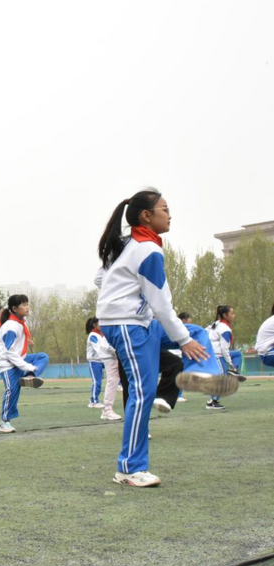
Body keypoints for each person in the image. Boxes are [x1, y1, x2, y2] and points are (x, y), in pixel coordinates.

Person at [95, 189, 238, 487]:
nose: (170, 214)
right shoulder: (146, 248)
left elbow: (101, 278)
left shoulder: (132, 245)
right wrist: (180, 339)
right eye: (164, 209)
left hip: (136, 322)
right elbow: (160, 304)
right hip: (128, 325)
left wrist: (121, 290)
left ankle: (202, 375)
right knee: (143, 392)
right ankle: (129, 468)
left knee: (197, 331)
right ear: (146, 216)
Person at [0, 294, 49, 433]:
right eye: (24, 305)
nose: (27, 307)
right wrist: (27, 366)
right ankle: (4, 422)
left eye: (27, 304)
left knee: (42, 357)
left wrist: (26, 342)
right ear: (14, 309)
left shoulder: (20, 324)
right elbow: (9, 351)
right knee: (11, 391)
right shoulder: (11, 326)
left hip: (19, 359)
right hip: (7, 363)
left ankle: (30, 376)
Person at [204, 305, 243, 410]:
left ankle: (232, 371)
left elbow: (205, 331)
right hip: (216, 355)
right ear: (225, 315)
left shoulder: (216, 323)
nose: (234, 315)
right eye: (232, 313)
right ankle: (213, 402)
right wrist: (230, 362)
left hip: (212, 352)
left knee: (238, 354)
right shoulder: (225, 329)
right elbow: (224, 349)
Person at [85, 317, 121, 421]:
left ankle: (106, 407)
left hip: (104, 358)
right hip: (95, 360)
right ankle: (94, 401)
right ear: (94, 325)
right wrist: (116, 351)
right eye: (99, 323)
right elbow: (100, 347)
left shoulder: (102, 334)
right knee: (98, 382)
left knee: (113, 380)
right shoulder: (93, 335)